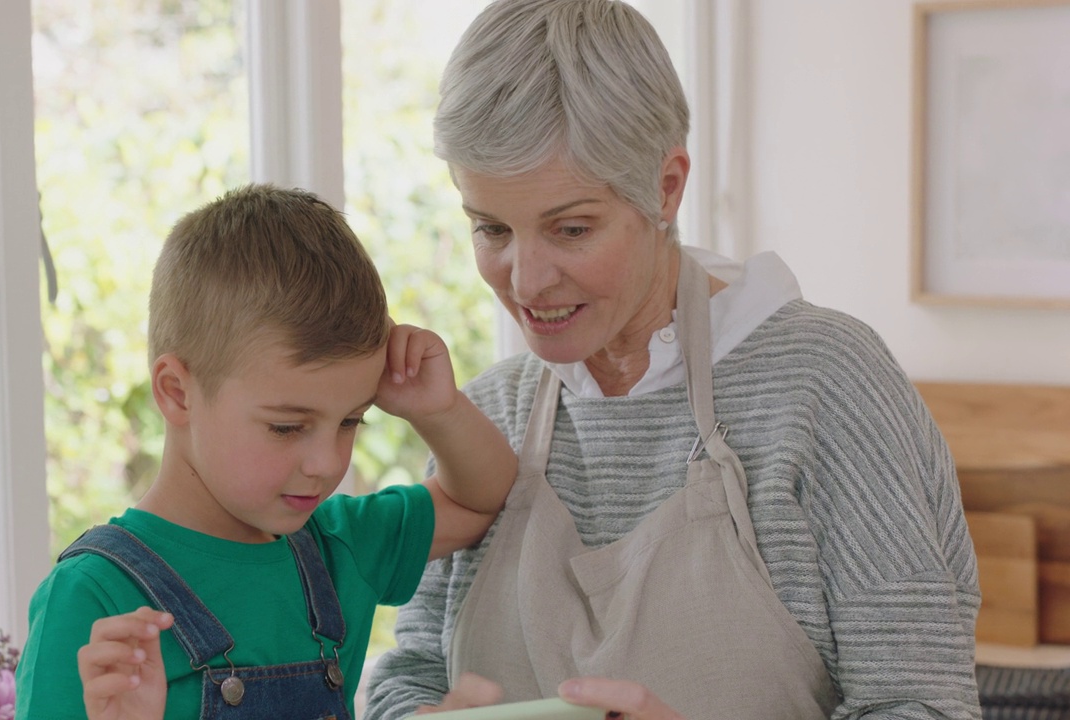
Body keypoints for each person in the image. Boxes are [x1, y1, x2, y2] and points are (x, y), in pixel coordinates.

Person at [363, 1, 982, 718]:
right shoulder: (489, 416)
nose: (525, 281)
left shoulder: (826, 386)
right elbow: (407, 676)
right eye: (491, 228)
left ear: (666, 187)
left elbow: (924, 706)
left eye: (570, 228)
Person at [13, 183, 518, 719]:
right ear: (177, 393)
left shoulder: (338, 546)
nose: (327, 463)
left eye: (350, 420)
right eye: (286, 427)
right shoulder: (92, 599)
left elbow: (479, 499)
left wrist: (435, 410)